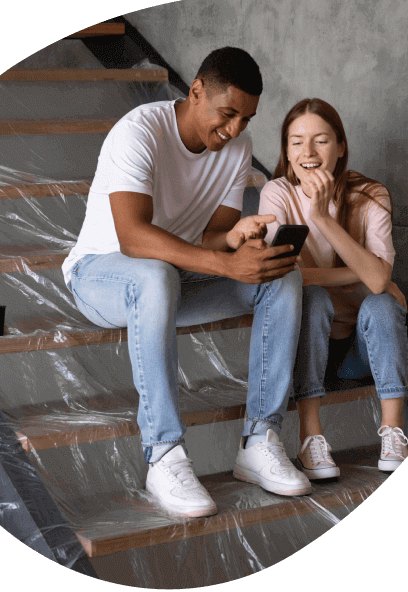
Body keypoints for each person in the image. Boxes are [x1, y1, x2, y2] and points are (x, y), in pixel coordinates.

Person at [61, 48, 312, 519]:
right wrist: (225, 265)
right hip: (100, 274)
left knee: (281, 276)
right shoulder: (139, 131)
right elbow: (133, 238)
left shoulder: (236, 147)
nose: (235, 129)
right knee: (154, 274)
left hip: (174, 276)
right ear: (196, 92)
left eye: (246, 119)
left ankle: (260, 440)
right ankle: (163, 454)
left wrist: (234, 240)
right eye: (228, 114)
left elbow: (211, 237)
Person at [259, 98, 408, 481]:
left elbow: (377, 284)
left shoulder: (371, 195)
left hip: (360, 350)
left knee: (382, 303)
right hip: (306, 347)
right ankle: (310, 437)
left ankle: (394, 434)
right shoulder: (276, 193)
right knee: (311, 296)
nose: (308, 152)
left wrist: (322, 218)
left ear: (340, 147)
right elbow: (284, 276)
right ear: (286, 151)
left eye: (321, 141)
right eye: (296, 142)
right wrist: (362, 274)